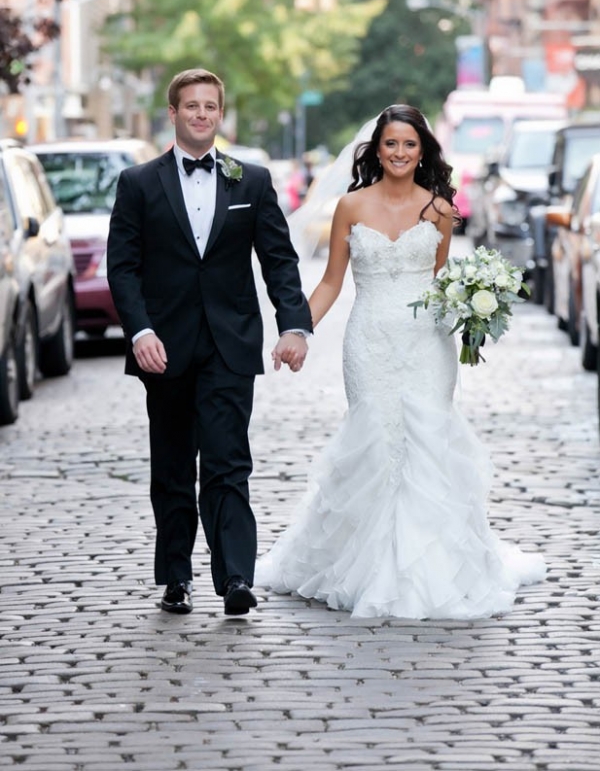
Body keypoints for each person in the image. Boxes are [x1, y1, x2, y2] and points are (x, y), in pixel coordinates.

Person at [256, 104, 546, 620]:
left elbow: (438, 283)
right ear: (377, 148)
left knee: (427, 442)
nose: (399, 153)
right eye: (391, 143)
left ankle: (430, 567)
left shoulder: (438, 210)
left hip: (425, 344)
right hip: (368, 340)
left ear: (423, 151)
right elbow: (329, 283)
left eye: (409, 145)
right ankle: (364, 562)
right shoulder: (350, 206)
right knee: (375, 437)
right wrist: (297, 330)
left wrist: (474, 309)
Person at [107, 68, 312, 617]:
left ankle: (236, 577)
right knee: (173, 468)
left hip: (230, 344)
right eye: (191, 106)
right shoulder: (138, 184)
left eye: (210, 107)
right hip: (164, 349)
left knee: (227, 462)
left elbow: (279, 260)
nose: (201, 115)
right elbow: (122, 269)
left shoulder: (253, 180)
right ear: (172, 114)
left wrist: (294, 324)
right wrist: (140, 331)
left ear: (221, 115)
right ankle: (176, 577)